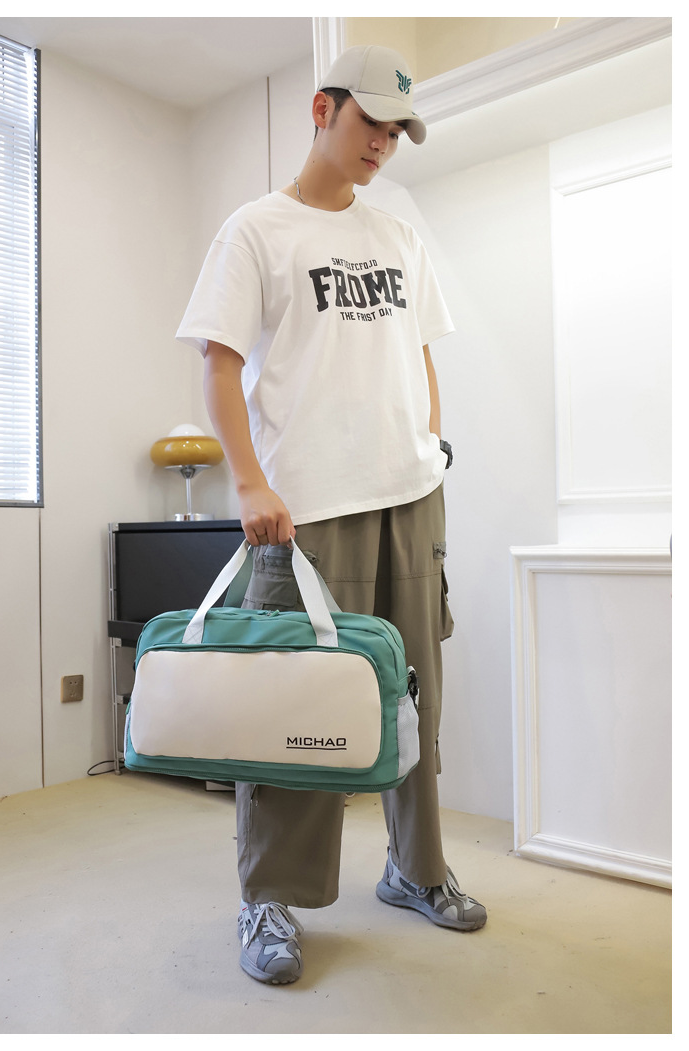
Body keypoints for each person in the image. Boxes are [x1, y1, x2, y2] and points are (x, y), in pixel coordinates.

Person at [176, 44, 486, 986]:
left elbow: (418, 355)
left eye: (397, 130)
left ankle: (414, 868)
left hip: (410, 496)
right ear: (322, 108)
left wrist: (430, 444)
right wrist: (247, 483)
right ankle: (267, 896)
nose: (383, 143)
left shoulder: (398, 236)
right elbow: (219, 364)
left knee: (412, 696)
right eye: (370, 122)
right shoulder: (255, 231)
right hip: (305, 510)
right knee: (296, 708)